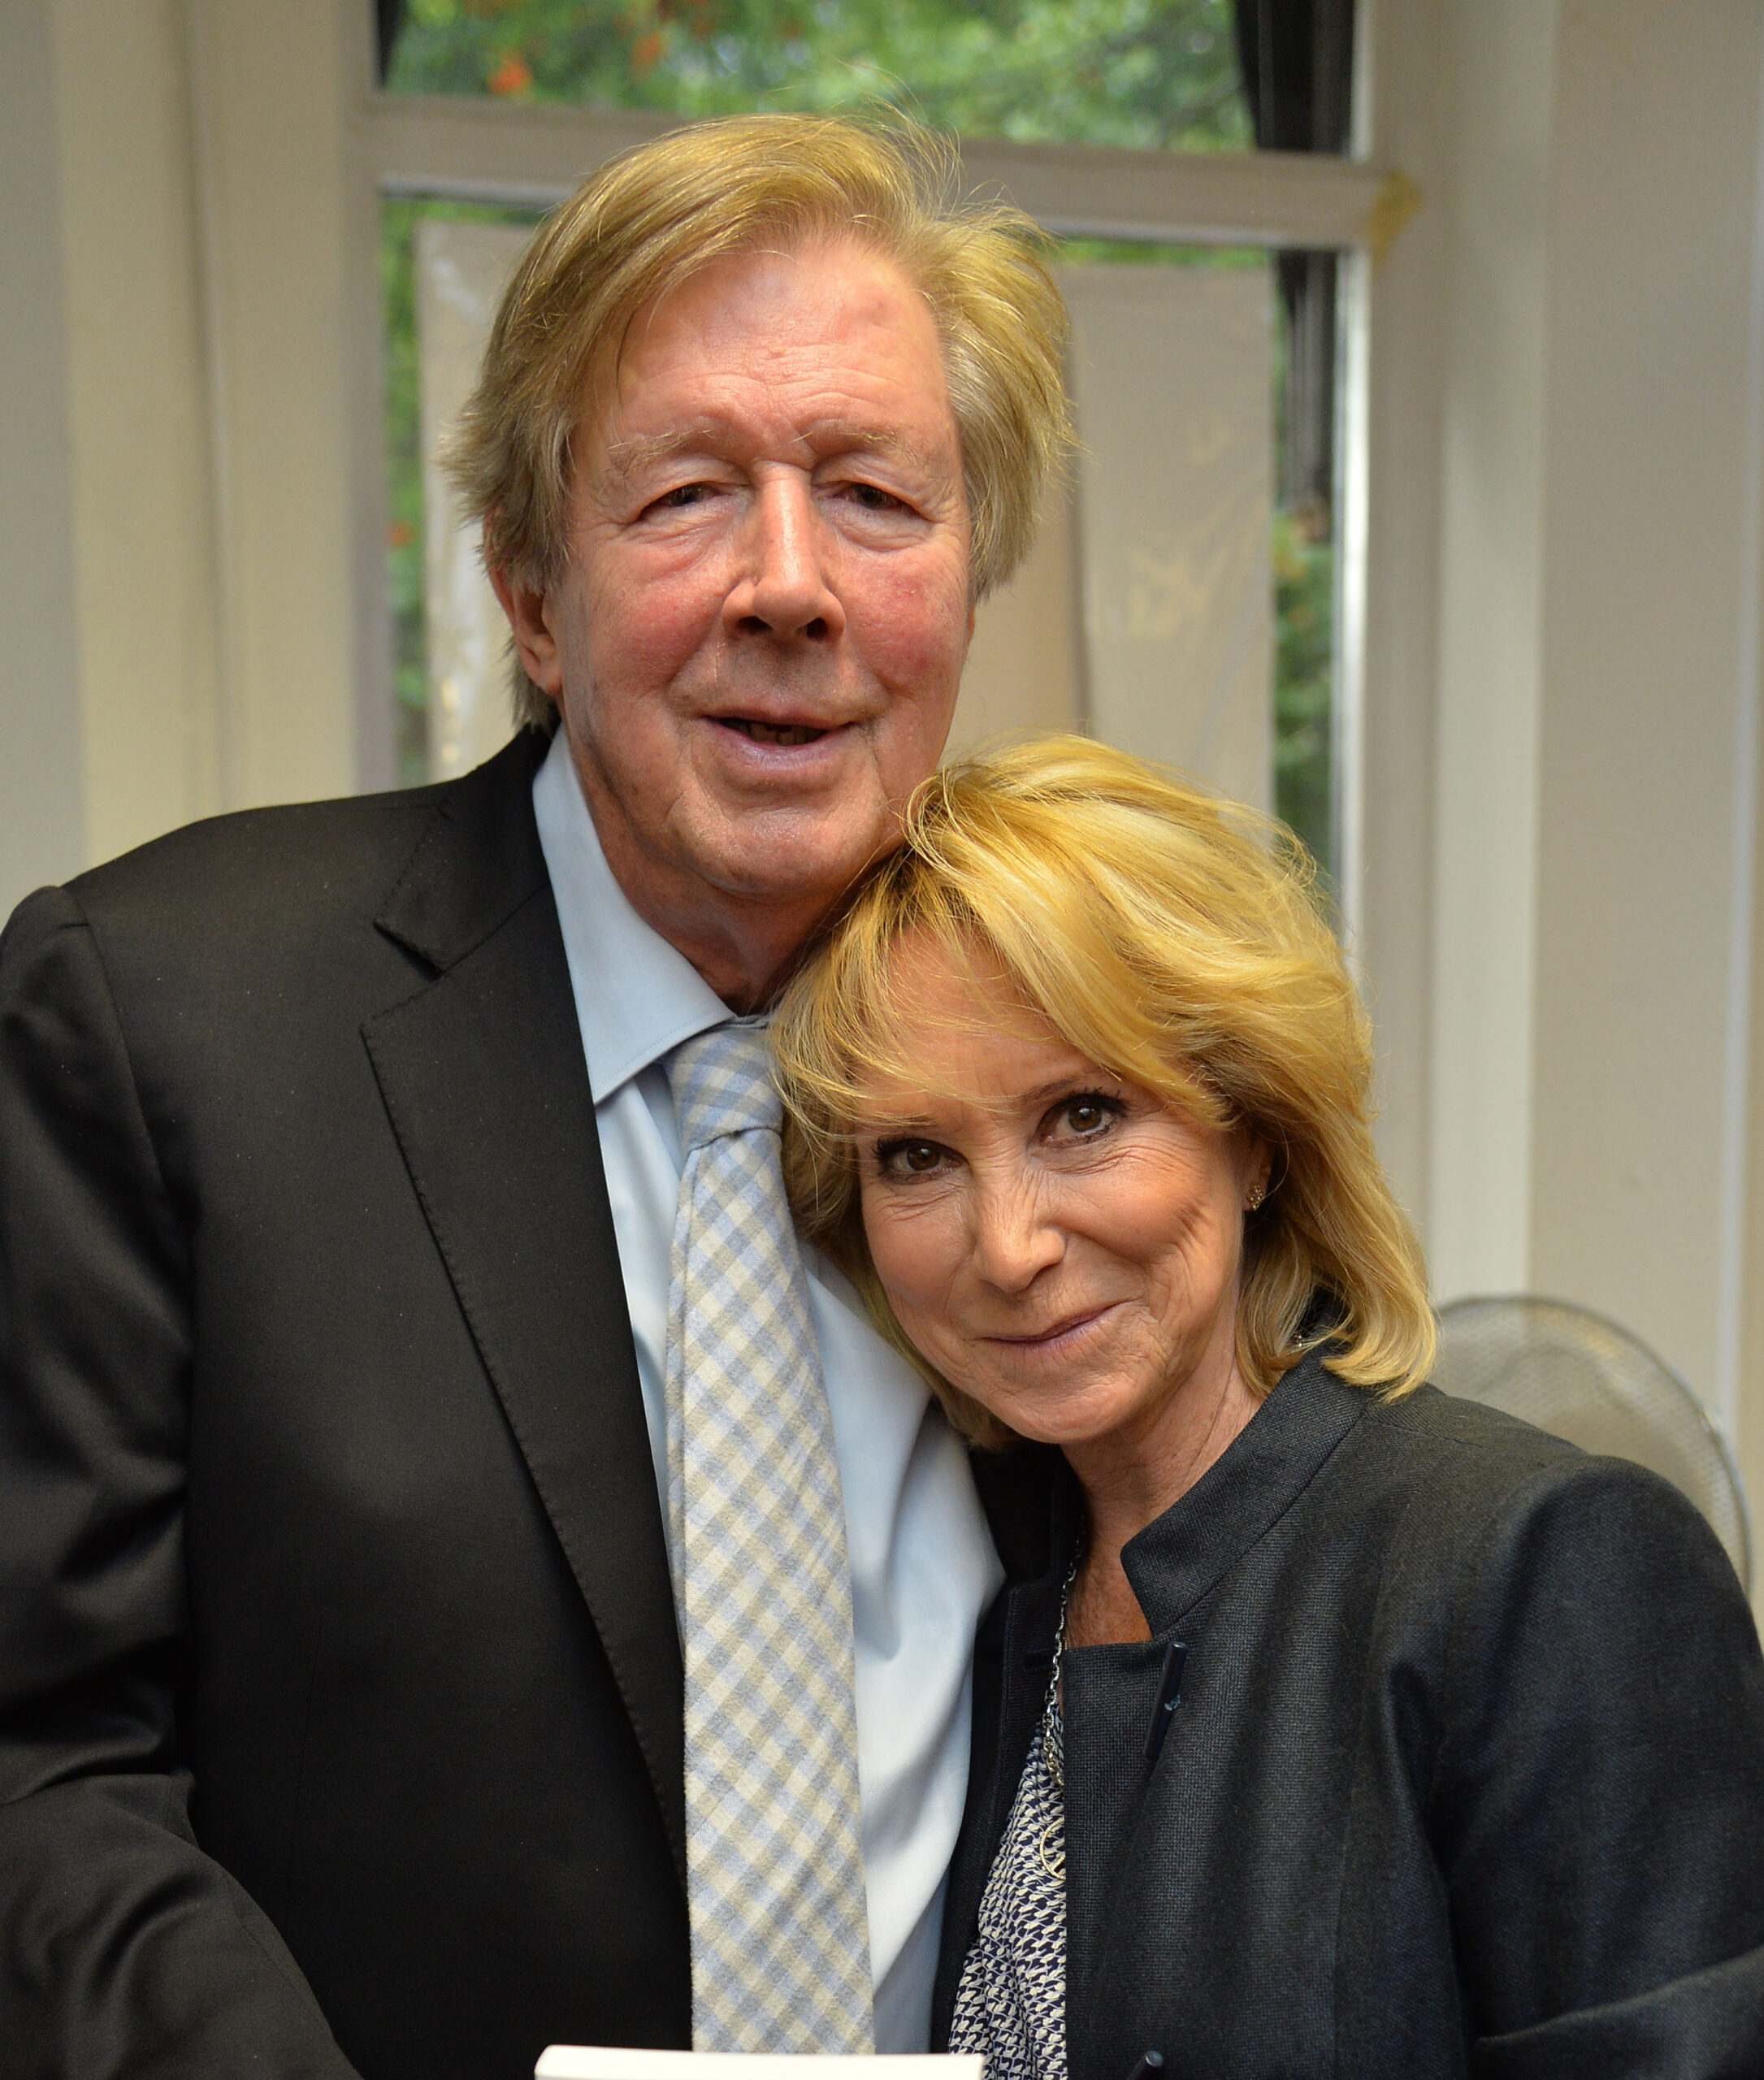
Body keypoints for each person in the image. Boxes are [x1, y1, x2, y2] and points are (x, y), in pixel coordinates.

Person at [0, 116, 1073, 2080]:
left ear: (967, 587)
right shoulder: (163, 1021)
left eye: (874, 497)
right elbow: (38, 1754)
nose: (790, 585)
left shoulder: (1088, 1077)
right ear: (525, 589)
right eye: (684, 495)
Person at [773, 734, 1764, 2080]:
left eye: (1081, 1115)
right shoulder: (970, 1576)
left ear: (1253, 1131)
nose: (1006, 1247)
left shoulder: (1545, 1569)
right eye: (918, 1155)